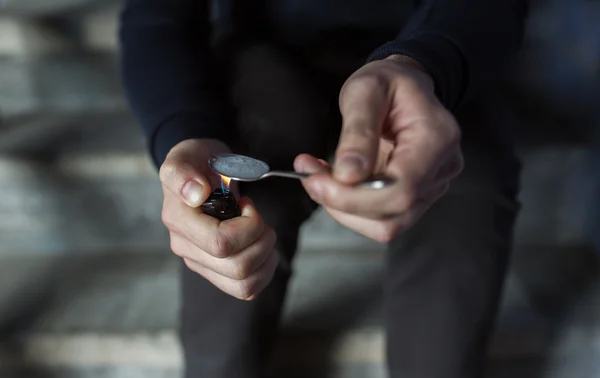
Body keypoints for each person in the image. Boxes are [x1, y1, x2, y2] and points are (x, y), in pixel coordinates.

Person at [119, 1, 527, 377]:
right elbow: (156, 15)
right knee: (226, 207)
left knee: (461, 187)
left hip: (441, 53)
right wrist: (188, 135)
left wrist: (425, 64)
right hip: (269, 49)